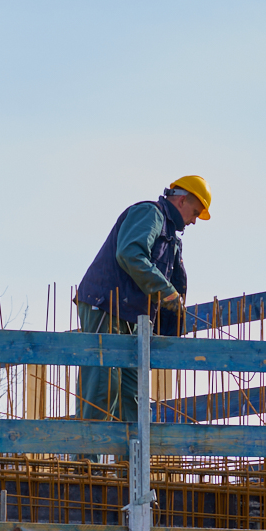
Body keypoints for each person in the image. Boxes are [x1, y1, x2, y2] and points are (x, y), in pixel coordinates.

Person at [74, 176, 211, 420]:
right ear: (182, 201)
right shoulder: (150, 213)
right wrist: (165, 291)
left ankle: (132, 447)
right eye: (195, 212)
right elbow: (130, 253)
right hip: (106, 305)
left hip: (130, 315)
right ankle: (91, 446)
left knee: (133, 395)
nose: (194, 221)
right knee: (103, 385)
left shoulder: (170, 237)